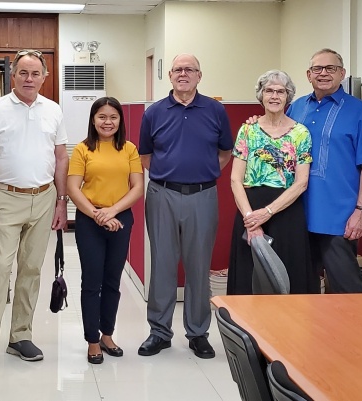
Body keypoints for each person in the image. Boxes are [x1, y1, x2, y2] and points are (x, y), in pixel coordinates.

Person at [0, 49, 69, 375]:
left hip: (45, 197)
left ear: (44, 76)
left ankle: (20, 336)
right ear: (13, 75)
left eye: (35, 73)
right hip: (8, 198)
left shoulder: (53, 111)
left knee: (31, 270)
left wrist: (62, 200)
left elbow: (62, 157)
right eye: (23, 72)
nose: (29, 79)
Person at [138, 54, 233, 359]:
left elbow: (225, 152)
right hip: (162, 194)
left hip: (203, 196)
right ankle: (159, 332)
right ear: (169, 75)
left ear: (199, 76)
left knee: (198, 266)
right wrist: (172, 176)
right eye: (178, 69)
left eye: (189, 69)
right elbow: (146, 157)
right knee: (163, 265)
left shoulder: (215, 110)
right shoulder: (154, 112)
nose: (183, 74)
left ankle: (197, 333)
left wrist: (200, 174)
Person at [289, 48, 362, 293]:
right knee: (300, 292)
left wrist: (361, 211)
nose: (323, 73)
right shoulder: (296, 108)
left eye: (330, 68)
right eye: (317, 69)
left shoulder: (358, 111)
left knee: (346, 292)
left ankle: (351, 334)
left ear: (342, 73)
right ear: (308, 75)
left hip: (339, 219)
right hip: (297, 215)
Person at [228, 70, 319, 295]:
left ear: (288, 96)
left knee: (289, 278)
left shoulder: (300, 133)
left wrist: (267, 213)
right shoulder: (247, 130)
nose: (275, 96)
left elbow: (301, 182)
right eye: (269, 90)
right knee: (248, 280)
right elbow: (235, 179)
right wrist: (252, 220)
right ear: (261, 95)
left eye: (281, 91)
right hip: (249, 211)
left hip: (286, 211)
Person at [67, 97, 144, 364]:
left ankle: (107, 335)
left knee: (112, 281)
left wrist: (112, 212)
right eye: (102, 117)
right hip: (90, 220)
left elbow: (137, 187)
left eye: (113, 117)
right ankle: (92, 340)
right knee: (92, 282)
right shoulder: (82, 150)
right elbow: (73, 189)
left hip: (120, 219)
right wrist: (99, 215)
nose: (107, 122)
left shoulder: (129, 149)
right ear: (93, 119)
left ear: (120, 120)